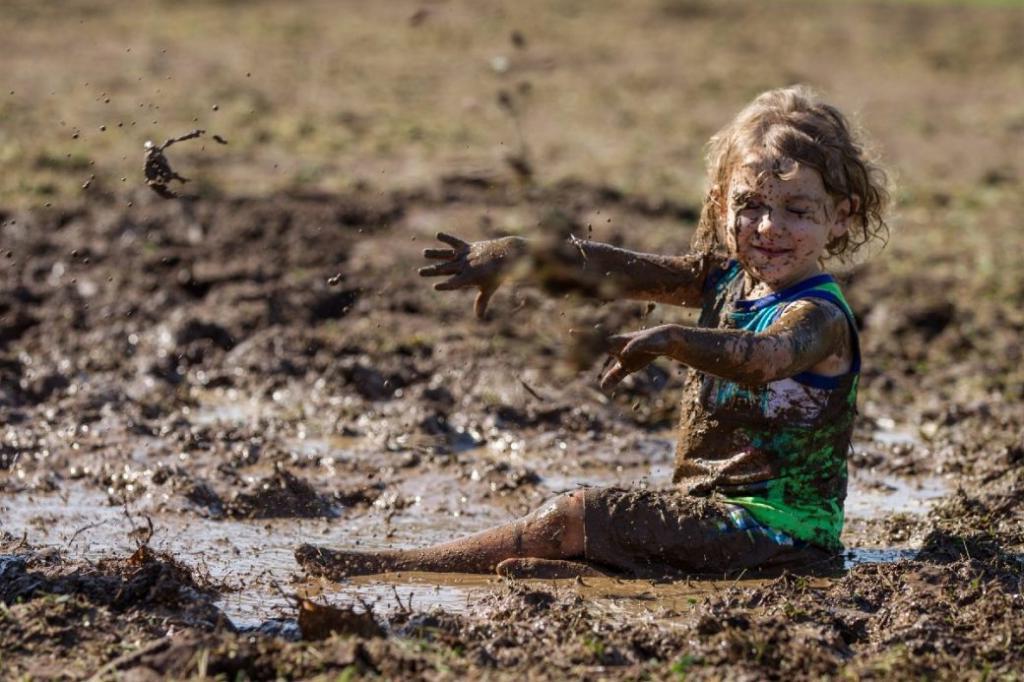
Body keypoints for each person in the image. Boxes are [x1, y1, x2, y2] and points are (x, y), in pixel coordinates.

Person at [296, 85, 889, 580]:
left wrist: (674, 340)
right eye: (751, 203)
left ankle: (389, 566)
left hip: (781, 540)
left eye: (797, 210)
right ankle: (601, 574)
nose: (768, 226)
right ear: (719, 201)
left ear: (842, 215)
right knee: (609, 520)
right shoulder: (724, 279)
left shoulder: (820, 316)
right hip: (711, 520)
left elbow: (767, 357)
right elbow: (610, 269)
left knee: (574, 514)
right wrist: (517, 254)